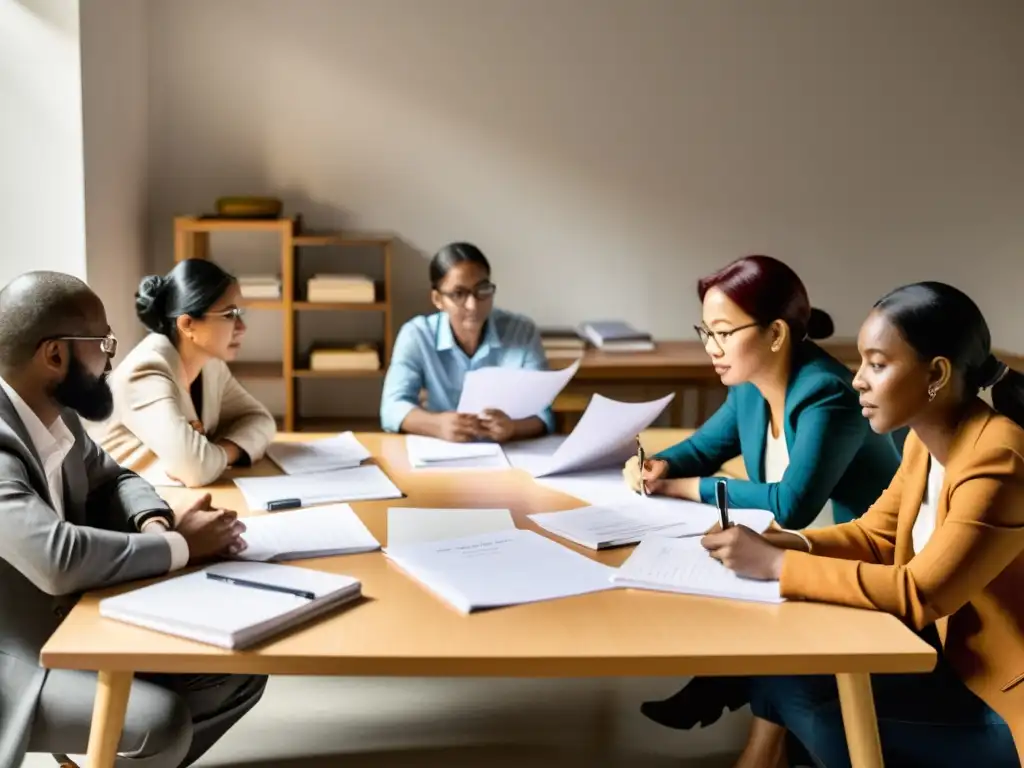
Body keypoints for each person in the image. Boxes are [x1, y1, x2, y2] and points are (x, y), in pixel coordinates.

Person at [702, 282, 1024, 767]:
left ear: (936, 374)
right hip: (945, 664)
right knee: (779, 669)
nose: (857, 380)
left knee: (820, 710)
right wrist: (788, 541)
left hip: (995, 700)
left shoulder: (997, 457)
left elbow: (921, 594)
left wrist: (776, 564)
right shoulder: (926, 437)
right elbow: (876, 536)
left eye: (877, 364)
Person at [623, 255, 901, 733]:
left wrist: (682, 486)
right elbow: (705, 447)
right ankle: (738, 697)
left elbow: (793, 504)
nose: (712, 347)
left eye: (725, 332)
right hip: (798, 550)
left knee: (733, 566)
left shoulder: (828, 394)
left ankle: (738, 697)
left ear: (776, 334)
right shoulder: (750, 385)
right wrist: (658, 466)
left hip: (862, 562)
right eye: (706, 331)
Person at [0, 271, 266, 768]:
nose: (112, 356)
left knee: (238, 671)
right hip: (17, 661)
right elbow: (57, 559)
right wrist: (182, 547)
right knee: (159, 723)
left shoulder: (56, 412)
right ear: (55, 355)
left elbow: (115, 477)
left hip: (75, 619)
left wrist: (154, 525)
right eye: (103, 342)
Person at [98, 259, 276, 487]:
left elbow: (259, 420)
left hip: (172, 497)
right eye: (229, 314)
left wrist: (221, 451)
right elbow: (195, 469)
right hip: (120, 508)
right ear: (188, 324)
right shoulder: (144, 373)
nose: (241, 326)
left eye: (239, 313)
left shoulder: (210, 364)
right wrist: (215, 453)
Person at [380, 242, 553, 442]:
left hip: (509, 452)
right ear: (438, 299)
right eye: (458, 294)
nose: (473, 305)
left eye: (483, 290)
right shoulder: (417, 335)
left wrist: (513, 427)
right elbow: (392, 408)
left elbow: (543, 413)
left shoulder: (521, 332)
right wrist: (437, 425)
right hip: (441, 450)